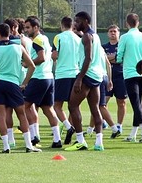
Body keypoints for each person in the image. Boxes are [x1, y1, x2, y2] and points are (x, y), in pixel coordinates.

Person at [0, 23, 39, 153]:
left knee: (1, 114)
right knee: (21, 114)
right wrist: (25, 82)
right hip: (13, 83)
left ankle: (6, 146)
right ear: (10, 33)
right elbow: (32, 65)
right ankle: (28, 145)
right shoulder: (18, 47)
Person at [64, 12, 105, 151]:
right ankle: (99, 142)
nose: (75, 23)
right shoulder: (95, 35)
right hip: (96, 76)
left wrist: (79, 78)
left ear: (85, 21)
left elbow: (88, 58)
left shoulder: (87, 36)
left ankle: (80, 140)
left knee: (72, 106)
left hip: (87, 75)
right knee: (95, 108)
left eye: (78, 21)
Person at [23, 16, 61, 148]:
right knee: (47, 109)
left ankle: (34, 136)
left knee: (24, 105)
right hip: (49, 78)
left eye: (28, 27)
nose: (26, 30)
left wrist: (28, 64)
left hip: (39, 78)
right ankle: (57, 139)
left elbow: (42, 58)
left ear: (36, 27)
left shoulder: (37, 40)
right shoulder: (44, 38)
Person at [116, 13, 142, 143]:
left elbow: (119, 55)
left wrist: (120, 60)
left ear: (127, 23)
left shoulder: (125, 37)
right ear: (138, 23)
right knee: (137, 102)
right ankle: (133, 134)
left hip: (130, 74)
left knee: (135, 103)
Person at [51, 16, 81, 145]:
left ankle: (68, 127)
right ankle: (76, 135)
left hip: (63, 74)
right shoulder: (78, 38)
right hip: (76, 74)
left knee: (57, 105)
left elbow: (54, 55)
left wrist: (53, 58)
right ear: (72, 25)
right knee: (73, 106)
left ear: (61, 25)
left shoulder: (59, 37)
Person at [102, 24, 126, 138]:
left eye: (114, 31)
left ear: (118, 33)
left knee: (121, 102)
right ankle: (104, 121)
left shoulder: (122, 45)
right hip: (107, 77)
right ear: (107, 33)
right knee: (103, 102)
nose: (112, 33)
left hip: (120, 76)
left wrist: (109, 58)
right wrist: (113, 57)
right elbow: (103, 60)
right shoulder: (103, 46)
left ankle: (119, 125)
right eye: (110, 31)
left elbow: (120, 58)